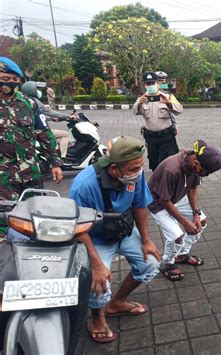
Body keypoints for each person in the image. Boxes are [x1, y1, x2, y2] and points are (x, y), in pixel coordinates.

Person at [69, 136, 161, 343]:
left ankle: (116, 303)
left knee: (151, 263)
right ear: (113, 168)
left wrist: (146, 239)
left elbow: (139, 206)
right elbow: (78, 227)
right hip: (94, 238)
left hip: (123, 231)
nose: (139, 172)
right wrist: (95, 263)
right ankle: (96, 317)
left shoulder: (134, 177)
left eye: (141, 166)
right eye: (134, 168)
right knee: (97, 280)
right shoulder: (83, 185)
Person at [0, 57, 63, 239]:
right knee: (5, 227)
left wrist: (55, 163)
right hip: (4, 180)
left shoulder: (29, 103)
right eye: (5, 80)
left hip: (31, 175)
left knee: (35, 221)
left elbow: (45, 134)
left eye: (15, 80)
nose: (11, 84)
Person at [149, 139, 221, 281]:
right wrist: (184, 222)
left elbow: (193, 188)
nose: (204, 175)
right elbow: (164, 201)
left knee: (202, 221)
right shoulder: (173, 169)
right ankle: (167, 263)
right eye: (204, 173)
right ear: (196, 163)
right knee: (177, 236)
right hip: (158, 202)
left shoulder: (194, 166)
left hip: (176, 196)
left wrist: (195, 214)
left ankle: (182, 255)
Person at [133, 71, 183, 171]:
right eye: (148, 83)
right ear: (145, 85)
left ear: (157, 83)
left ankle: (167, 184)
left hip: (166, 137)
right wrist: (140, 104)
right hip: (151, 138)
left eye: (153, 83)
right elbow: (135, 111)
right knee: (154, 164)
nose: (151, 85)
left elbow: (179, 110)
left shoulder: (167, 96)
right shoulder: (142, 98)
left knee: (166, 164)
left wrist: (168, 103)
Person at [21, 81, 74, 158]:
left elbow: (36, 117)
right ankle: (62, 158)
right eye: (37, 89)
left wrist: (51, 118)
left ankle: (56, 152)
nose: (39, 91)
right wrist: (68, 116)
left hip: (30, 130)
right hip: (38, 131)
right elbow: (48, 111)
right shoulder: (34, 101)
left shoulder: (24, 101)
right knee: (66, 135)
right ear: (31, 91)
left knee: (58, 139)